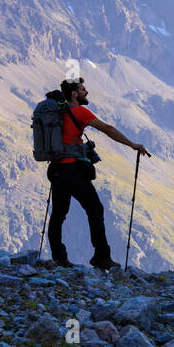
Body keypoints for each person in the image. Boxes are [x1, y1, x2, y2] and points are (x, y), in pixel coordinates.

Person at [47, 77, 151, 269]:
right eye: (83, 89)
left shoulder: (55, 112)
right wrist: (132, 144)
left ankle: (58, 258)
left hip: (55, 170)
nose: (87, 92)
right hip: (71, 170)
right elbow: (107, 129)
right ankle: (102, 257)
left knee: (58, 214)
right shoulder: (80, 112)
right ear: (74, 93)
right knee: (95, 208)